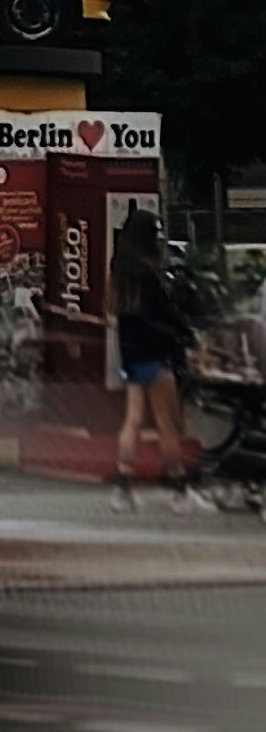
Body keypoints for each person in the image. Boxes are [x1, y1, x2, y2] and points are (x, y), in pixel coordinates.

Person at [112, 207, 205, 511]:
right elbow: (161, 315)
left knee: (133, 420)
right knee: (167, 424)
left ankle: (123, 490)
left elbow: (127, 316)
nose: (162, 237)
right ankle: (179, 490)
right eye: (157, 231)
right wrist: (182, 337)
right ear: (147, 236)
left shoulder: (120, 269)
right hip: (154, 354)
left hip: (130, 355)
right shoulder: (148, 273)